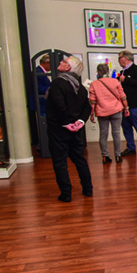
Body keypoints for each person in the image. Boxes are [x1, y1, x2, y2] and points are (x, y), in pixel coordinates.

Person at [45, 56, 92, 202]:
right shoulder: (81, 88)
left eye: (63, 62)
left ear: (68, 68)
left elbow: (59, 105)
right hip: (75, 130)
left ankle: (66, 194)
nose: (60, 62)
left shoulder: (58, 83)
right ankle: (88, 189)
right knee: (79, 159)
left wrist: (67, 123)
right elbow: (87, 107)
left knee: (60, 162)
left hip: (59, 129)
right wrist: (80, 122)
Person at [89, 63, 129, 164]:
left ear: (98, 72)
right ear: (108, 71)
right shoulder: (115, 81)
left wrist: (92, 113)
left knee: (103, 134)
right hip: (116, 110)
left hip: (102, 111)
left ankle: (105, 156)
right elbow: (123, 97)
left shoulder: (94, 84)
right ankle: (118, 155)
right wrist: (126, 108)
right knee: (116, 134)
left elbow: (92, 101)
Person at [117, 50, 137, 156]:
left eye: (119, 57)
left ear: (125, 58)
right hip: (126, 105)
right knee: (126, 126)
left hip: (136, 104)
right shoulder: (123, 71)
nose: (118, 60)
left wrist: (126, 79)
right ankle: (131, 148)